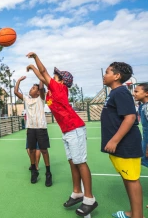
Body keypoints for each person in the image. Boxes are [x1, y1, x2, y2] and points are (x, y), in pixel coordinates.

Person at [26, 52, 97, 217]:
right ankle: (77, 192)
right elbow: (42, 76)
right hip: (67, 131)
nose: (53, 76)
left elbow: (43, 72)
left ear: (62, 80)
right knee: (72, 162)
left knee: (81, 162)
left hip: (75, 128)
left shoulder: (59, 88)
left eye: (56, 75)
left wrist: (35, 58)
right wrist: (33, 68)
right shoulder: (51, 92)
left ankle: (89, 199)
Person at [102, 62, 143, 218]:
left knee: (132, 180)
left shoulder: (120, 92)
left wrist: (114, 140)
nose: (104, 75)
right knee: (127, 178)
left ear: (117, 76)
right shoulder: (114, 93)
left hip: (126, 145)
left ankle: (138, 216)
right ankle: (134, 213)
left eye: (107, 72)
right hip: (120, 147)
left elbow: (130, 117)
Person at [14, 76, 53, 187]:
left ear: (38, 92)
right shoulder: (27, 99)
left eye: (33, 88)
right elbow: (16, 92)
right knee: (31, 150)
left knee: (44, 150)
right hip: (31, 128)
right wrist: (18, 81)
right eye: (31, 87)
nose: (31, 89)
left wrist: (40, 76)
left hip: (41, 128)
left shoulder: (41, 99)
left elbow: (41, 87)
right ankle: (34, 171)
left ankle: (48, 173)